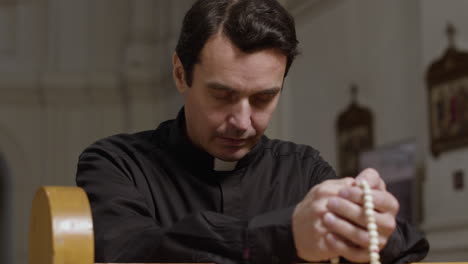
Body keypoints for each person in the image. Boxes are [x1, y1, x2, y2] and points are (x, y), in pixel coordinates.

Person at [76, 0, 429, 263]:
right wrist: (284, 235)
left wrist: (371, 221)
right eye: (223, 95)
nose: (243, 121)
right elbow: (132, 253)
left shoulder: (303, 168)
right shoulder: (115, 162)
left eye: (263, 98)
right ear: (181, 74)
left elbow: (408, 248)